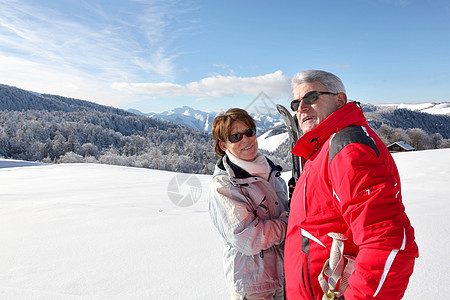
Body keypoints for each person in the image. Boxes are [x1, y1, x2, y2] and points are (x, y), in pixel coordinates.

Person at [284, 70, 419, 299]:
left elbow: (388, 244)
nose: (301, 108)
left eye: (311, 97)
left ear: (340, 100)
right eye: (296, 103)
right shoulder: (324, 148)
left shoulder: (347, 149)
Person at [208, 108, 289, 300]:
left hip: (284, 275)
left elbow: (279, 210)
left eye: (249, 132)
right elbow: (248, 238)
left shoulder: (270, 171)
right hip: (254, 285)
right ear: (223, 145)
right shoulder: (224, 186)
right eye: (235, 137)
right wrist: (289, 224)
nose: (245, 140)